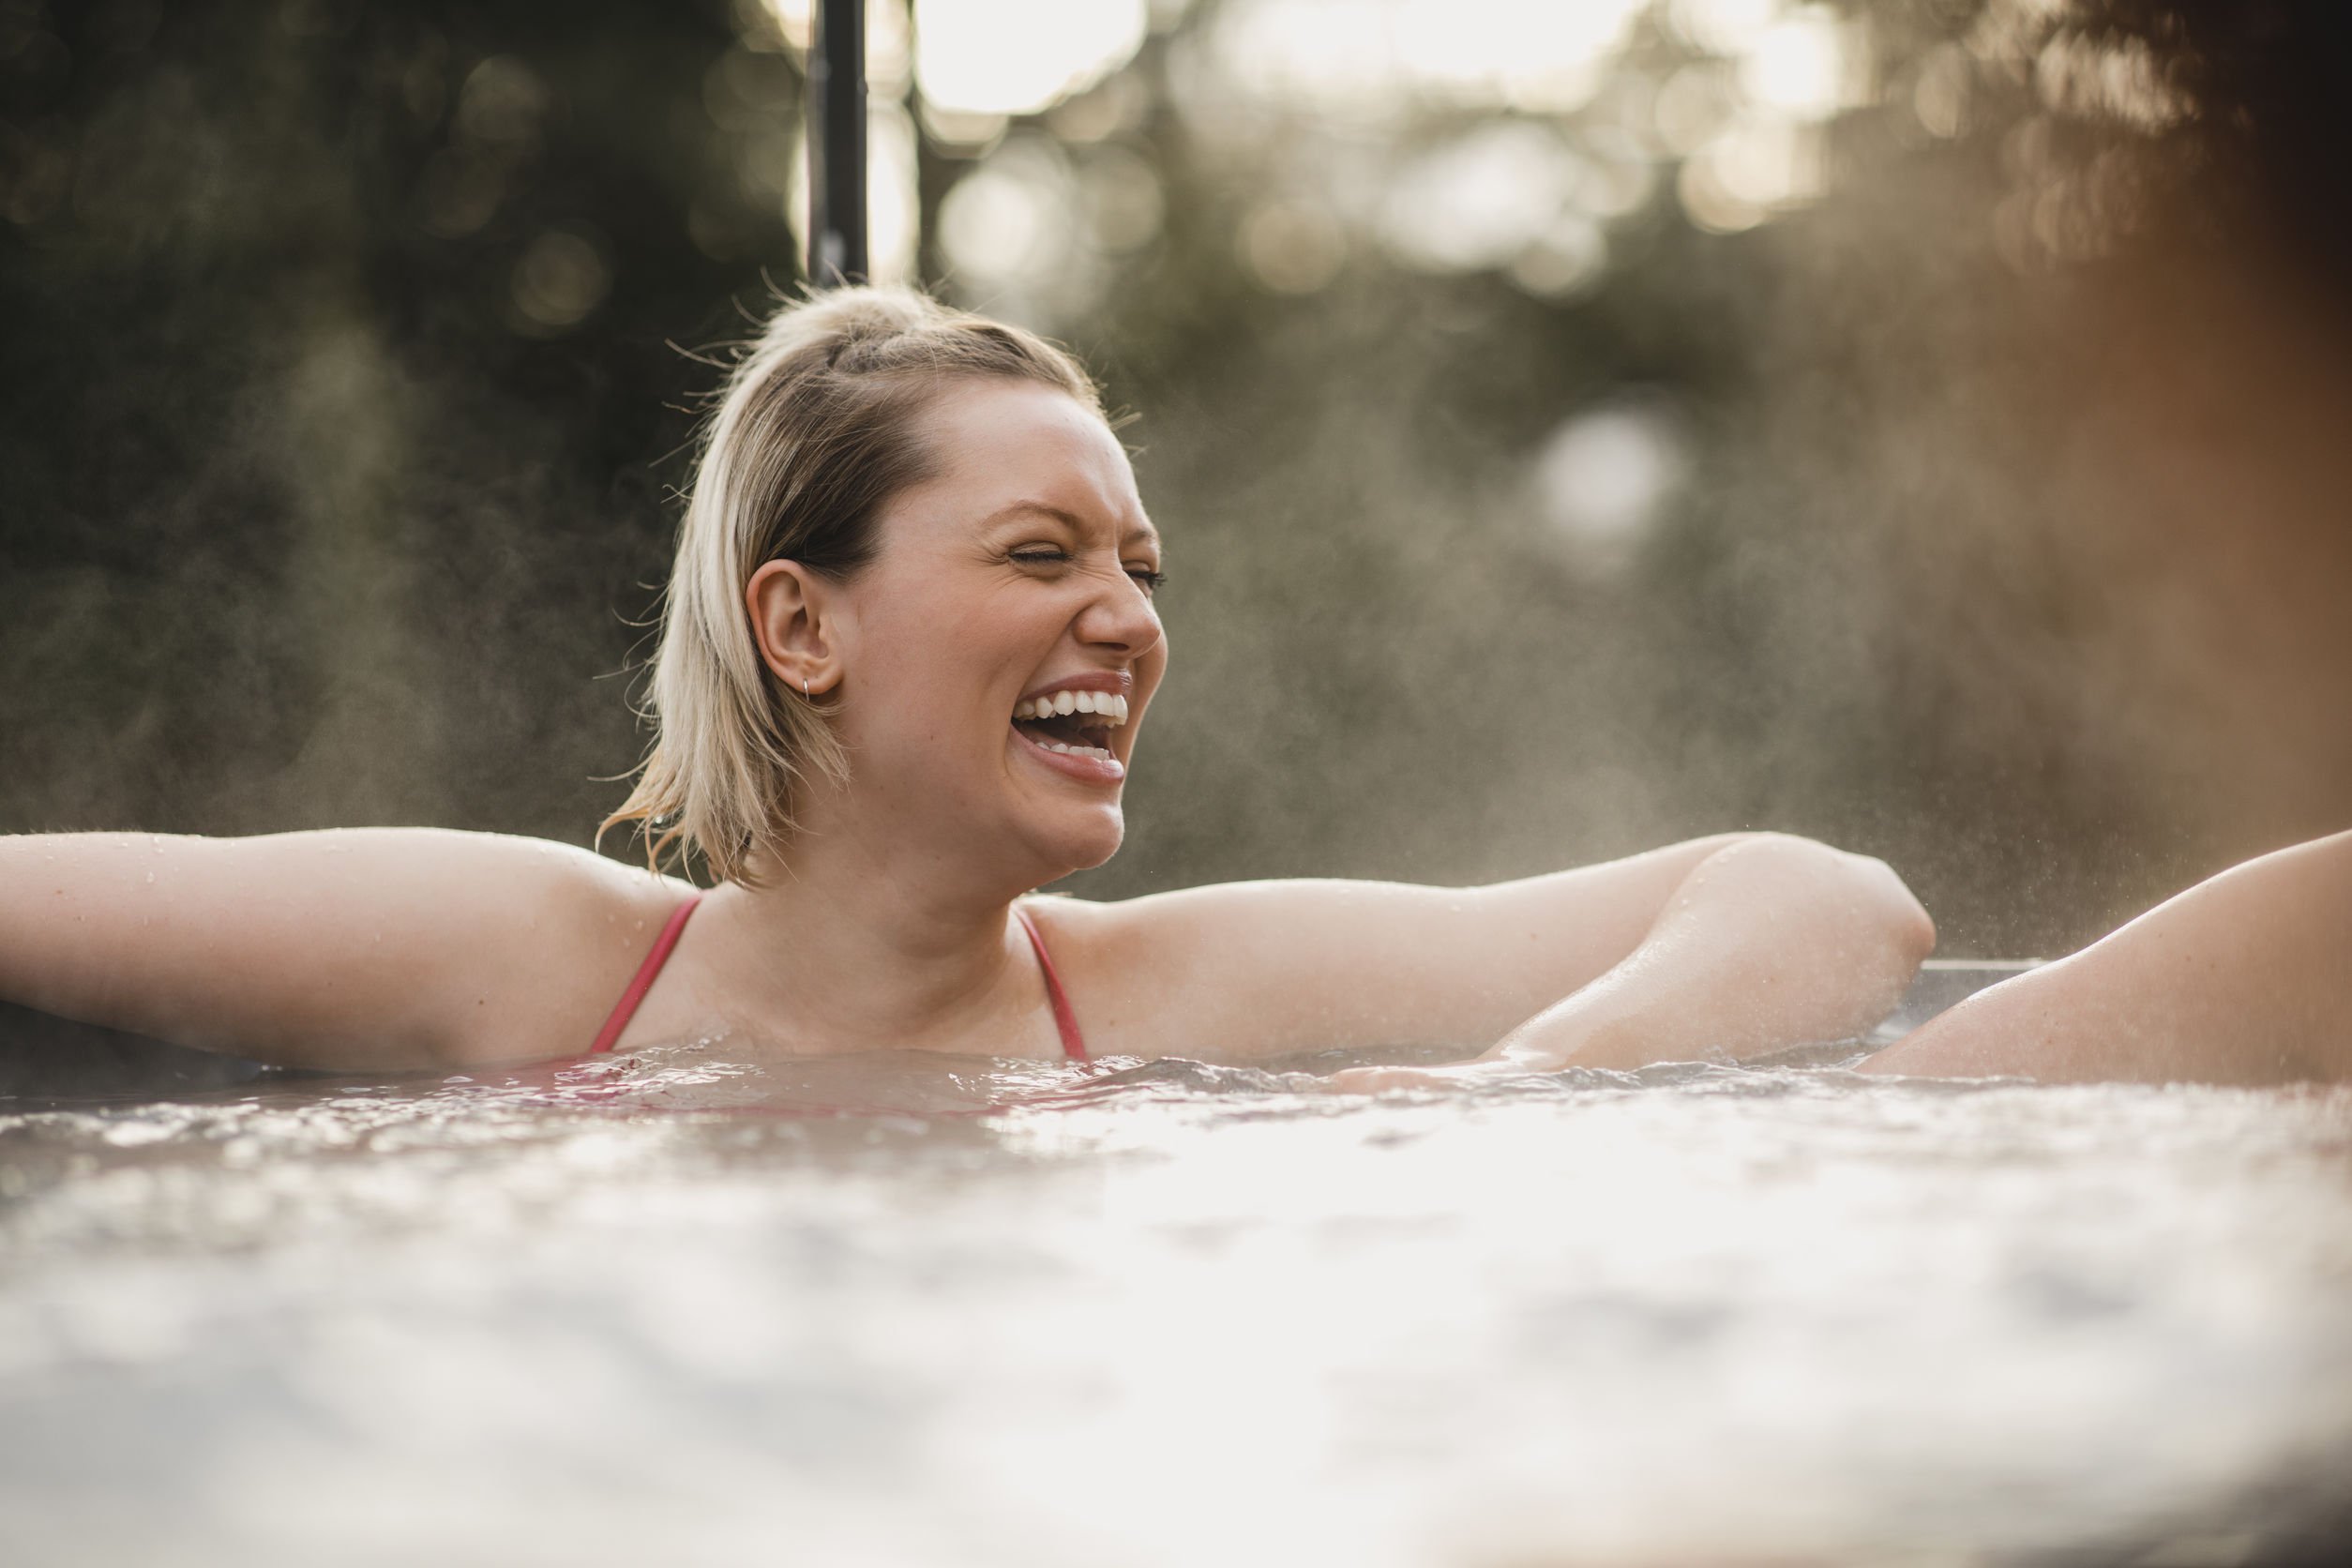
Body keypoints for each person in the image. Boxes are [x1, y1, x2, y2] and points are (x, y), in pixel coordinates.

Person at [0, 287, 1936, 1078]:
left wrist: (1491, 1117)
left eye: (1140, 567)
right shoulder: (552, 961)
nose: (1129, 617)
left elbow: (1823, 902)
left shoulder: (1166, 990)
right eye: (1042, 555)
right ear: (800, 623)